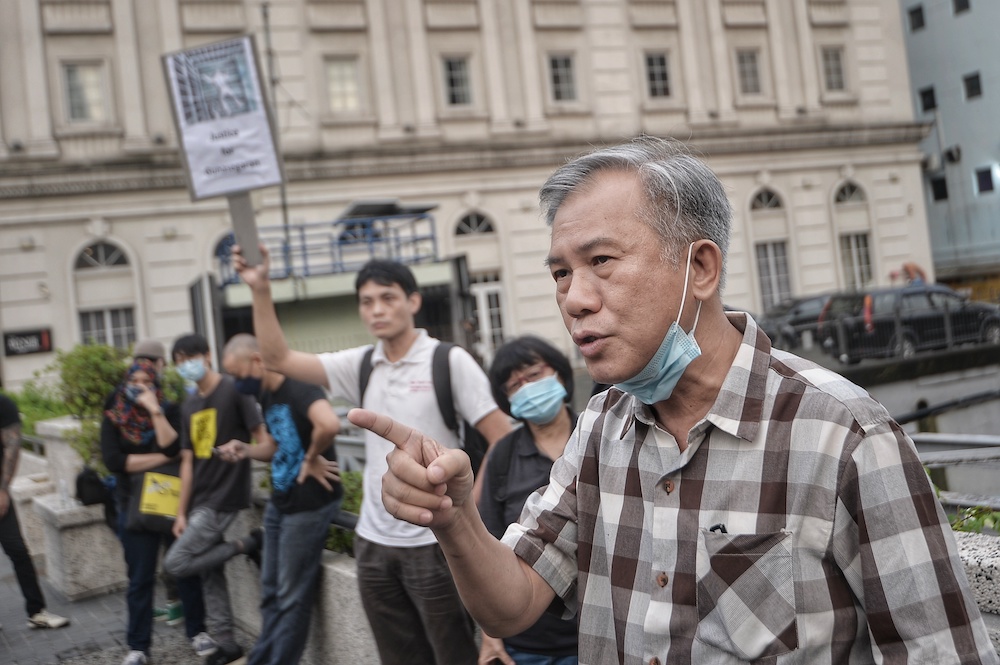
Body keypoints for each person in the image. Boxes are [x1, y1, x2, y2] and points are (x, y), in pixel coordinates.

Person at [350, 137, 999, 664]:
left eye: (601, 260)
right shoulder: (601, 426)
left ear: (702, 268)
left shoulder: (844, 434)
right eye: (560, 272)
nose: (574, 297)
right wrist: (455, 517)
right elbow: (513, 601)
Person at [232, 253, 512, 665]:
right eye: (366, 301)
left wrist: (470, 515)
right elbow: (278, 360)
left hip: (435, 543)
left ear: (413, 302)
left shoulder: (448, 361)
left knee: (452, 654)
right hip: (373, 544)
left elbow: (501, 439)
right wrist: (259, 288)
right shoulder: (362, 364)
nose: (377, 309)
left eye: (387, 297)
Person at [220, 333, 342, 665]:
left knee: (291, 596)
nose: (237, 382)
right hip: (282, 501)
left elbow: (329, 423)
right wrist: (244, 449)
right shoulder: (268, 395)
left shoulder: (299, 385)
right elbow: (275, 446)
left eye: (239, 373)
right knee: (271, 591)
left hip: (310, 504)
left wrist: (311, 457)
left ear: (257, 360)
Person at [163, 333, 270, 665]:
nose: (185, 366)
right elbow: (187, 462)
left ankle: (247, 545)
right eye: (178, 361)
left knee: (175, 563)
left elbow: (262, 440)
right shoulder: (189, 403)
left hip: (224, 496)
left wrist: (244, 451)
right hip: (199, 499)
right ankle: (227, 643)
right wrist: (180, 513)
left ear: (207, 355)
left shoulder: (234, 389)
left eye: (189, 358)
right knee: (210, 572)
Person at [101, 359, 212, 665]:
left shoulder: (170, 409)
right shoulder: (115, 415)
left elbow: (173, 447)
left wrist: (154, 411)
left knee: (184, 569)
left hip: (171, 502)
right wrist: (160, 457)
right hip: (132, 505)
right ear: (126, 383)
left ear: (156, 384)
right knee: (140, 578)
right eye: (134, 382)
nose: (141, 388)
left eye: (147, 383)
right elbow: (114, 461)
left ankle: (197, 632)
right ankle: (138, 647)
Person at [478, 336, 578, 665]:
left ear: (559, 373)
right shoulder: (503, 457)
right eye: (514, 385)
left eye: (533, 375)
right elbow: (486, 548)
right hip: (526, 642)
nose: (526, 387)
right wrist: (490, 635)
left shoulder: (600, 435)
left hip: (602, 635)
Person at [0, 393, 70, 631]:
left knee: (17, 550)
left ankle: (36, 612)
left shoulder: (3, 404)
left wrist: (3, 490)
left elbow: (12, 445)